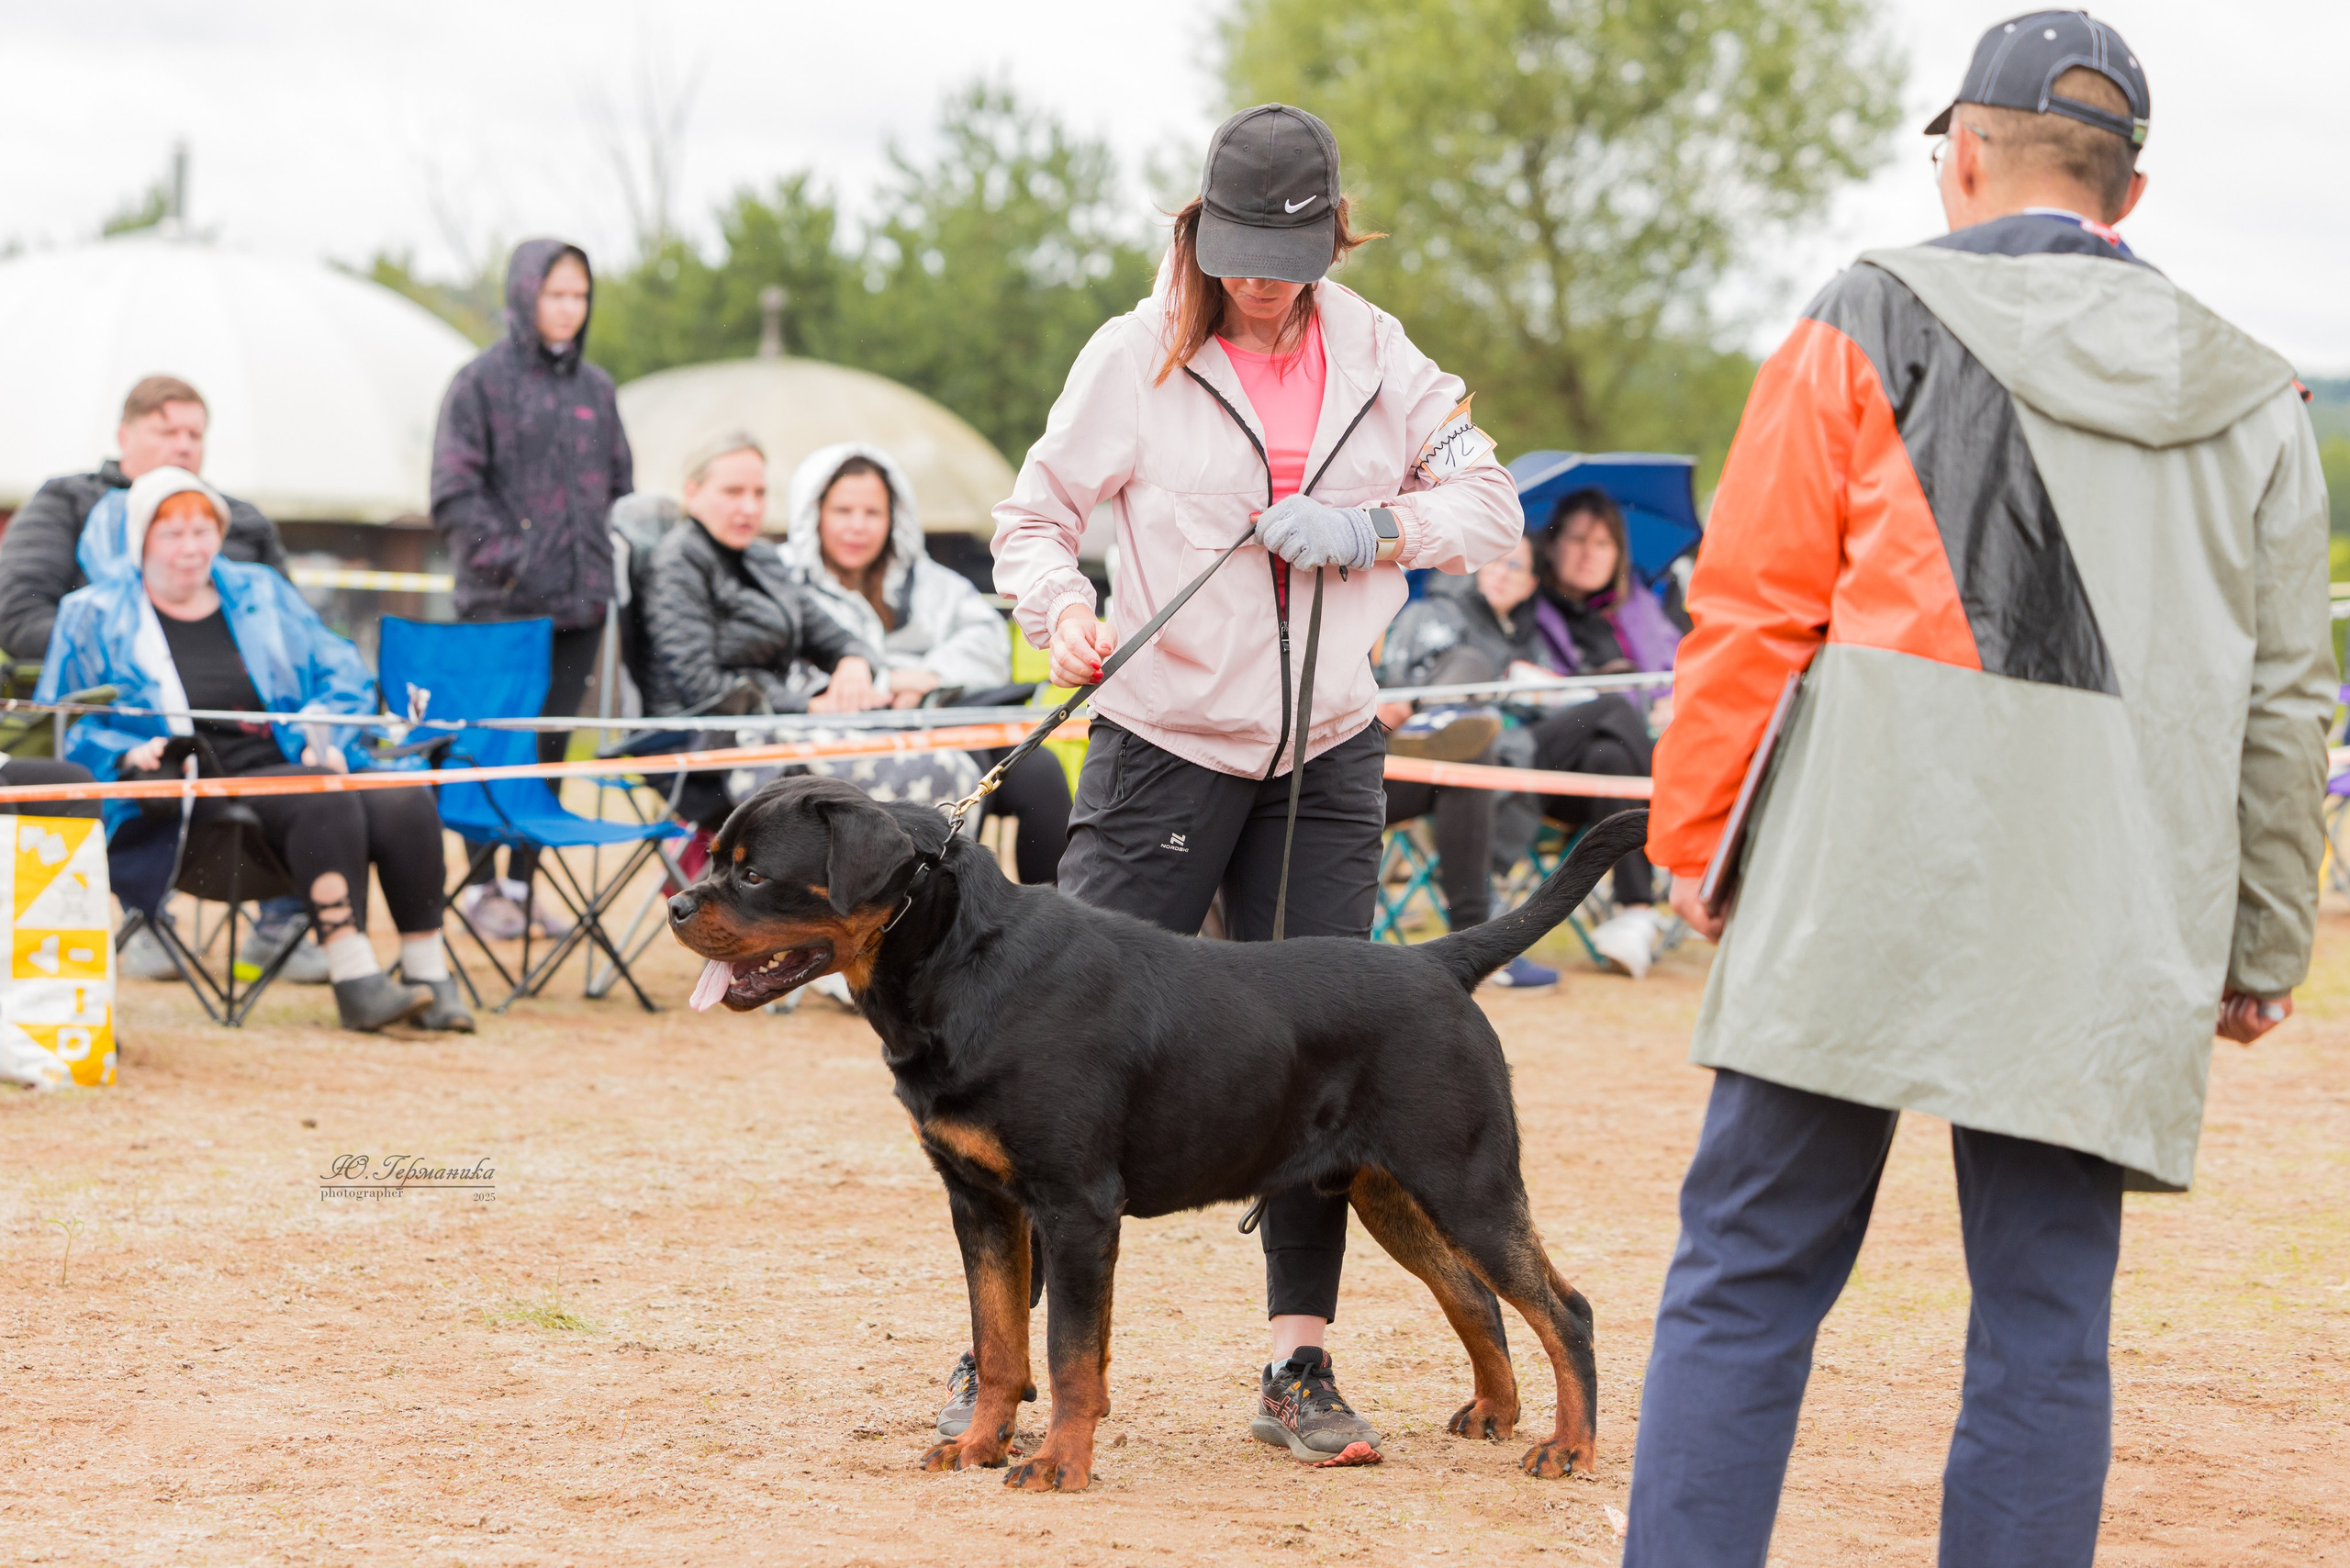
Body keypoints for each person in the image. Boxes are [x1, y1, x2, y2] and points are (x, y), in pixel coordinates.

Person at [1624, 17, 2329, 1566]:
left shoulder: (1868, 313)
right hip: (2109, 902)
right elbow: (2288, 698)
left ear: (1960, 153)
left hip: (1863, 866)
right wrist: (2265, 940)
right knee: (2045, 1318)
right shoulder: (2261, 394)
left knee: (1746, 1273)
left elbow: (1749, 606)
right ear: (2125, 197)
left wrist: (1696, 837)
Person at [991, 103, 1522, 1466]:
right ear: (1200, 231)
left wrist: (1371, 528)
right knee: (1053, 1063)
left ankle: (1301, 1363)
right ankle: (994, 1363)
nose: (1262, 281)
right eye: (1236, 251)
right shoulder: (1132, 354)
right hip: (1161, 740)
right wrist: (1062, 613)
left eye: (1288, 253)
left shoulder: (1384, 358)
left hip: (1326, 752)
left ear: (1334, 234)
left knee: (1321, 1065)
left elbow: (1488, 506)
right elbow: (1033, 518)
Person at [37, 469, 474, 1035]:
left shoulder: (261, 591)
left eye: (203, 531)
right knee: (321, 797)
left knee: (399, 795)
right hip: (192, 796)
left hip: (291, 765)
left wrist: (327, 730)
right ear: (141, 540)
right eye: (172, 535)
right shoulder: (94, 614)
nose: (192, 549)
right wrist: (130, 753)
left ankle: (428, 973)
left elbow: (340, 671)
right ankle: (356, 978)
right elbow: (63, 724)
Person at [0, 374, 317, 983]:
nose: (182, 444)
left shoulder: (237, 520)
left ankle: (286, 920)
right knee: (148, 752)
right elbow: (17, 612)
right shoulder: (70, 502)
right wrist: (130, 655)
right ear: (124, 435)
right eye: (165, 429)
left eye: (194, 433)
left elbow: (292, 628)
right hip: (118, 713)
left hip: (245, 719)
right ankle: (145, 913)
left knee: (318, 750)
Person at [430, 239, 632, 941]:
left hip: (581, 612)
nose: (569, 309)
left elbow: (619, 491)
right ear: (525, 295)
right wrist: (516, 562)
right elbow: (454, 495)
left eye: (580, 295)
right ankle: (484, 888)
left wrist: (599, 569)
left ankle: (524, 886)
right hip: (500, 613)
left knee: (548, 751)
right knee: (492, 748)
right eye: (555, 294)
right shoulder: (479, 384)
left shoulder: (597, 391)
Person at [783, 442, 1073, 886]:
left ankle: (1053, 926)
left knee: (1041, 774)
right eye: (843, 511)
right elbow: (779, 658)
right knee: (958, 772)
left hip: (944, 723)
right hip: (844, 744)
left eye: (872, 513)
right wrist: (881, 682)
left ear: (893, 517)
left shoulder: (929, 582)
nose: (857, 527)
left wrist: (930, 675)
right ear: (814, 513)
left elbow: (986, 640)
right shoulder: (783, 580)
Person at [641, 433, 890, 839]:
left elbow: (834, 635)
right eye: (733, 491)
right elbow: (700, 686)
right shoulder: (678, 562)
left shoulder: (762, 557)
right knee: (915, 771)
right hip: (704, 748)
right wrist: (808, 707)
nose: (750, 507)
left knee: (928, 754)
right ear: (693, 492)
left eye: (759, 492)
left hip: (776, 730)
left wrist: (855, 664)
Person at [1373, 535, 1559, 988]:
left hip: (1422, 770)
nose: (1500, 570)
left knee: (1472, 750)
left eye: (1514, 565)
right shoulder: (1433, 613)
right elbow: (1389, 685)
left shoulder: (1524, 641)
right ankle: (1477, 941)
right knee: (1472, 720)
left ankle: (1475, 940)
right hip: (1367, 756)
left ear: (1531, 584)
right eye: (1493, 559)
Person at [1521, 489, 1680, 978]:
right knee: (1612, 705)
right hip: (1547, 765)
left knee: (1612, 754)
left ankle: (1635, 913)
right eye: (1578, 540)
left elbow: (1681, 668)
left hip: (1611, 775)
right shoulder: (1527, 600)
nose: (1591, 553)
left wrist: (1674, 700)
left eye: (1604, 542)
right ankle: (1675, 825)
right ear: (1551, 545)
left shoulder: (1640, 610)